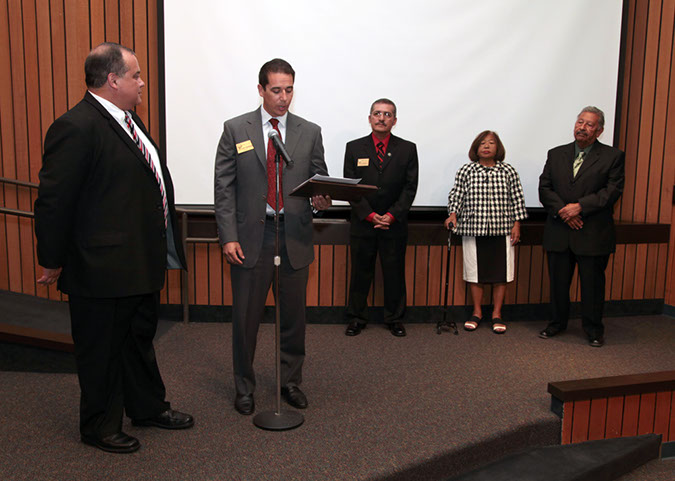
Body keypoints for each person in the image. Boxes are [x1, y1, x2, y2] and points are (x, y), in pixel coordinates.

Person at [33, 42, 194, 454]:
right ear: (113, 79)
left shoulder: (128, 120)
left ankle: (147, 406)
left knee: (137, 340)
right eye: (136, 75)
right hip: (100, 267)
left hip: (139, 262)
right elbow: (54, 200)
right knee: (101, 349)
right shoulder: (76, 126)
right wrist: (51, 259)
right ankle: (99, 426)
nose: (142, 82)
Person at [214, 58, 331, 415]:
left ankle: (290, 382)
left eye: (289, 89)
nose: (284, 97)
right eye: (277, 90)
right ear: (261, 89)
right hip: (252, 239)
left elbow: (318, 179)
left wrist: (322, 199)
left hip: (293, 236)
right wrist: (228, 236)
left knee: (293, 318)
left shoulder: (309, 131)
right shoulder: (236, 129)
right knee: (246, 319)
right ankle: (244, 386)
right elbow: (224, 188)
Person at [538, 106, 625, 347]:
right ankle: (556, 323)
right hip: (559, 230)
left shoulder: (613, 156)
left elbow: (612, 191)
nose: (582, 127)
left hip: (592, 232)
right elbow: (545, 188)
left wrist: (580, 207)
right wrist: (565, 212)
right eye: (580, 122)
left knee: (592, 286)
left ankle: (594, 330)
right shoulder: (556, 154)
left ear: (599, 131)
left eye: (589, 124)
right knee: (558, 284)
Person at [343, 99, 419, 337]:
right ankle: (357, 318)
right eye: (377, 113)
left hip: (393, 225)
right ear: (369, 118)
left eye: (387, 114)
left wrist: (391, 215)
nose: (382, 118)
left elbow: (410, 188)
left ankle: (394, 318)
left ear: (394, 121)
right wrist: (370, 215)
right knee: (360, 273)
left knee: (394, 273)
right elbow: (350, 187)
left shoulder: (407, 148)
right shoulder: (354, 148)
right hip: (363, 223)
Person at [444, 130, 527, 334]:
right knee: (475, 274)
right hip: (474, 228)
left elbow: (517, 199)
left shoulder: (508, 171)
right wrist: (453, 214)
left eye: (491, 143)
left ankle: (497, 314)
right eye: (482, 143)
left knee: (502, 274)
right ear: (476, 148)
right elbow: (456, 195)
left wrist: (517, 224)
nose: (486, 146)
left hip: (503, 229)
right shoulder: (466, 171)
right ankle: (477, 312)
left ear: (498, 148)